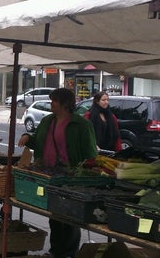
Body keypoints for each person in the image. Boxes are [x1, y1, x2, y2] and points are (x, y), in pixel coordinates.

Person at [17, 88, 97, 258]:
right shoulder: (48, 121)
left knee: (69, 216)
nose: (51, 103)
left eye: (54, 100)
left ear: (65, 103)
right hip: (48, 174)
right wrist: (26, 137)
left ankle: (68, 252)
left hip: (70, 177)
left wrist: (84, 170)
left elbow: (90, 153)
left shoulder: (81, 124)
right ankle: (56, 250)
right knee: (54, 214)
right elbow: (37, 141)